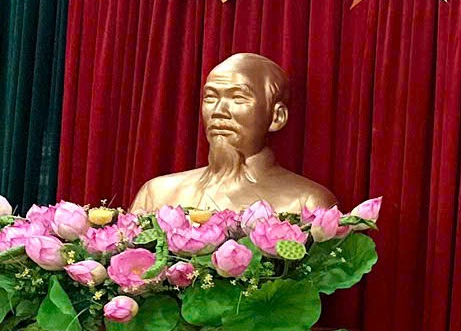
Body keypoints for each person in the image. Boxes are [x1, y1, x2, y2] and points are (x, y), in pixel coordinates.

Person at [131, 53, 335, 215]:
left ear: (276, 117)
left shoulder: (306, 202)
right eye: (210, 97)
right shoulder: (158, 194)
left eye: (238, 98)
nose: (219, 111)